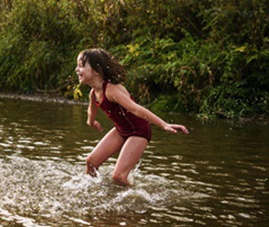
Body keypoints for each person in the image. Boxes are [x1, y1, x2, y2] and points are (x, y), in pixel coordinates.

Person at [75, 48, 188, 185]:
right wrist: (91, 122)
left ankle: (133, 198)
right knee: (91, 163)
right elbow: (91, 112)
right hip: (122, 129)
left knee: (118, 177)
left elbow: (137, 109)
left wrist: (164, 125)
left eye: (81, 66)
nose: (77, 69)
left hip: (139, 131)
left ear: (97, 70)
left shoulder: (111, 90)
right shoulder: (93, 93)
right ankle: (93, 191)